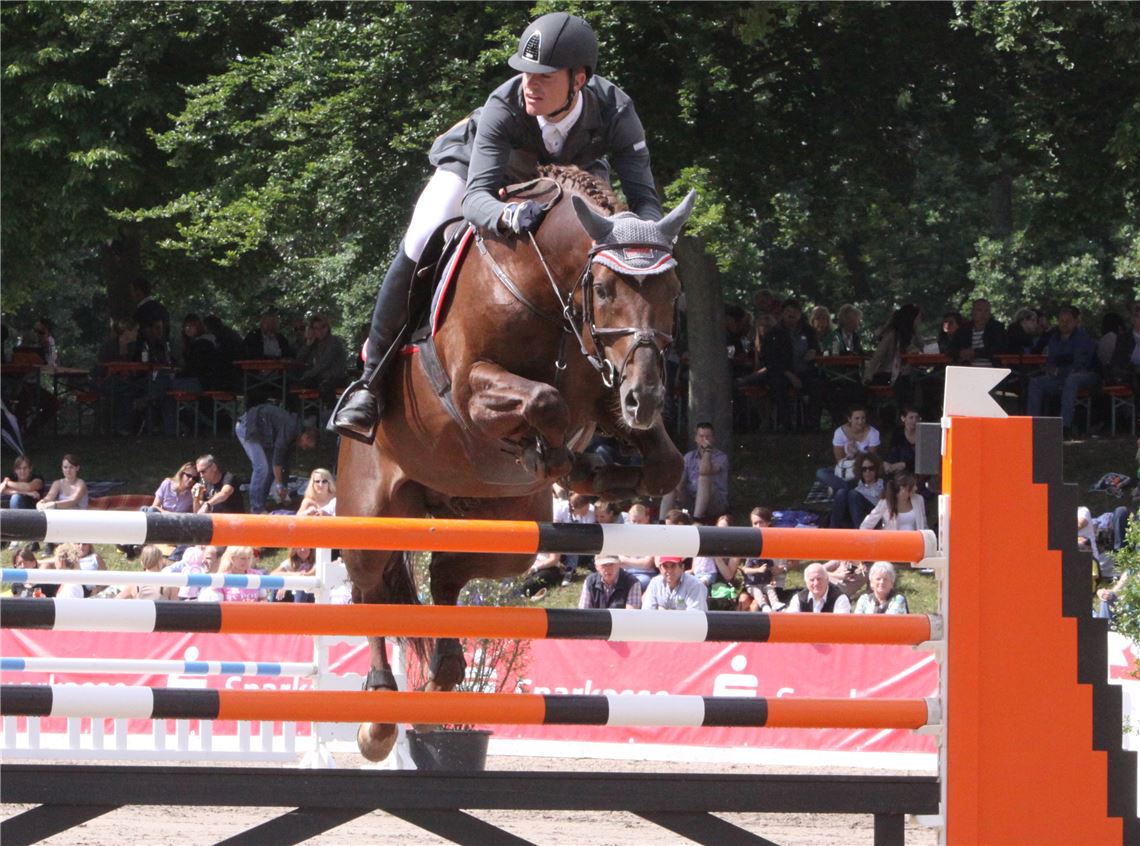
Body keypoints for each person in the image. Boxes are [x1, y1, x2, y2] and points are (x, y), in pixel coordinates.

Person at [332, 12, 664, 443]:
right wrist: (506, 216)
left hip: (570, 174)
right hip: (477, 173)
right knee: (420, 236)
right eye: (526, 73)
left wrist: (644, 241)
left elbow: (644, 201)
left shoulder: (616, 110)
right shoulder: (503, 105)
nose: (530, 84)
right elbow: (476, 197)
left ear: (578, 79)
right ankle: (370, 379)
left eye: (544, 76)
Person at [1027, 304, 1099, 436]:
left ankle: (1064, 426)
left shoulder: (1083, 339)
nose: (1064, 324)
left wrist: (1059, 371)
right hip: (1060, 378)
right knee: (1036, 382)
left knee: (1072, 380)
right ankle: (1032, 424)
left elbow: (1080, 365)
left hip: (1087, 375)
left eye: (1068, 321)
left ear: (1076, 322)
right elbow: (1050, 362)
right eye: (1061, 321)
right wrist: (1050, 370)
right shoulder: (1054, 339)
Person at [234, 404, 318, 515]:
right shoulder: (290, 428)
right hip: (247, 427)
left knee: (269, 469)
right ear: (306, 436)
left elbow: (284, 464)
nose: (304, 448)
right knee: (261, 467)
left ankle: (261, 503)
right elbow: (277, 461)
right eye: (306, 446)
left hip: (262, 432)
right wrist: (279, 487)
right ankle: (256, 509)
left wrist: (284, 487)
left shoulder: (294, 437)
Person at [763, 298, 824, 432]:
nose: (791, 315)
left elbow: (816, 348)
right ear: (782, 313)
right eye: (788, 311)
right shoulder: (774, 333)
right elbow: (770, 359)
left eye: (795, 311)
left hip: (806, 371)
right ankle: (785, 424)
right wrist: (789, 375)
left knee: (818, 384)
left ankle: (812, 424)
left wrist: (814, 351)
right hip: (783, 373)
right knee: (779, 386)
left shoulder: (809, 331)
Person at [864, 304, 924, 408]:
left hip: (905, 373)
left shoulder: (912, 335)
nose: (919, 322)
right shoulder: (892, 335)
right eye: (917, 319)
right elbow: (878, 355)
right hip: (889, 374)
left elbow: (922, 347)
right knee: (907, 385)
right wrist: (867, 376)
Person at [668, 422, 729, 520]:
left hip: (715, 503)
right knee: (673, 484)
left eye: (708, 436)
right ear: (695, 438)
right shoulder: (688, 457)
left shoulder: (721, 457)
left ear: (713, 439)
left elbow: (704, 471)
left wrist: (707, 451)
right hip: (691, 500)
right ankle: (662, 520)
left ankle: (697, 519)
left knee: (704, 479)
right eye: (701, 436)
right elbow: (680, 482)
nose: (704, 440)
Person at [816, 405, 880, 493]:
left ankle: (838, 487)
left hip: (863, 471)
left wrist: (857, 454)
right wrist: (849, 456)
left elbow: (871, 460)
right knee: (821, 473)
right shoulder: (839, 432)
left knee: (871, 475)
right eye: (857, 418)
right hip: (846, 469)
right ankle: (848, 487)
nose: (860, 422)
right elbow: (839, 460)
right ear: (849, 419)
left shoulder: (873, 433)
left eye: (863, 418)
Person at [739, 507, 786, 612]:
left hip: (771, 583)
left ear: (768, 522)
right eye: (755, 523)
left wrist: (783, 568)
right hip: (753, 582)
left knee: (756, 605)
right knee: (743, 600)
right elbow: (745, 567)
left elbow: (795, 563)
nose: (758, 526)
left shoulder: (778, 541)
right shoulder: (749, 543)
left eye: (761, 522)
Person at [293, 313, 347, 402]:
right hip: (320, 378)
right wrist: (308, 342)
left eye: (323, 327)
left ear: (327, 328)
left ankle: (327, 411)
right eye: (316, 328)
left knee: (313, 383)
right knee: (295, 383)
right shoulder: (315, 344)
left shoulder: (333, 342)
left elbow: (324, 364)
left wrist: (306, 375)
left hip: (334, 378)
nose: (320, 331)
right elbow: (299, 359)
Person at [830, 451, 884, 529]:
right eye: (864, 469)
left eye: (871, 468)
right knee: (841, 493)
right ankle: (832, 531)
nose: (867, 471)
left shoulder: (882, 484)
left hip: (872, 516)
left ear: (876, 469)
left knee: (853, 494)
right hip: (853, 514)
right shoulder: (856, 484)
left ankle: (860, 533)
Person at [949, 298, 1007, 368]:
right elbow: (952, 349)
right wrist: (961, 353)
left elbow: (998, 348)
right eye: (979, 310)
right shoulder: (963, 330)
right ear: (972, 312)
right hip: (966, 369)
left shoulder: (997, 328)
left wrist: (975, 353)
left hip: (992, 369)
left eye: (986, 311)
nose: (983, 314)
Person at [552, 493, 596, 584]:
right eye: (585, 507)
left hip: (582, 547)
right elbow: (555, 529)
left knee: (574, 541)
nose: (588, 509)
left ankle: (569, 571)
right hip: (562, 542)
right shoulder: (560, 508)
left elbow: (588, 536)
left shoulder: (591, 512)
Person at [861, 474, 928, 531]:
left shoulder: (919, 499)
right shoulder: (885, 502)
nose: (916, 488)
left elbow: (924, 525)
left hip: (915, 543)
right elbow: (866, 525)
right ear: (902, 488)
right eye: (913, 486)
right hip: (893, 544)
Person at [199, 546, 264, 602]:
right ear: (232, 559)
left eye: (249, 558)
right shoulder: (222, 578)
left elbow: (263, 599)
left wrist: (256, 605)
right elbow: (218, 605)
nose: (247, 561)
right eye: (243, 558)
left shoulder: (257, 575)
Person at [643, 555, 708, 611]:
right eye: (665, 566)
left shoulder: (695, 585)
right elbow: (647, 612)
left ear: (682, 567)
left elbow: (694, 618)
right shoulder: (655, 583)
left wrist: (662, 612)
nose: (669, 570)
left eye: (673, 566)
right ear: (660, 569)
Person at [618, 502, 657, 589]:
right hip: (626, 573)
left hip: (646, 575)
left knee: (637, 583)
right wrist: (638, 563)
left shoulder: (653, 536)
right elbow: (619, 561)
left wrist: (627, 560)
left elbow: (647, 564)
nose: (636, 525)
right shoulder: (625, 536)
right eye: (634, 521)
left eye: (639, 521)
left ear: (647, 518)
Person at [786, 562, 851, 613]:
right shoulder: (798, 599)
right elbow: (790, 622)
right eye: (812, 580)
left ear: (827, 579)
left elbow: (840, 626)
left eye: (819, 579)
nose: (816, 583)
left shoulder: (840, 599)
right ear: (806, 582)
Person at [130, 276, 170, 343]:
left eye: (132, 291)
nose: (131, 294)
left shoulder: (141, 312)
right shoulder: (162, 308)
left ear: (138, 291)